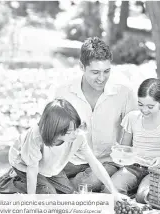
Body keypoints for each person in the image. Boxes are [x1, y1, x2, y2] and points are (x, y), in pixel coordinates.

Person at [0, 99, 122, 199]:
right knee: (48, 196)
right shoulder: (36, 137)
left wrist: (114, 192)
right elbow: (32, 170)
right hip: (25, 164)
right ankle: (7, 182)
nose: (75, 134)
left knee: (69, 194)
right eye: (69, 132)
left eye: (76, 128)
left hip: (49, 166)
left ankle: (38, 183)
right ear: (55, 131)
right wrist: (31, 200)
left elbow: (95, 164)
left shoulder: (78, 136)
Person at [54, 37, 137, 191]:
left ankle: (66, 187)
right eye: (95, 72)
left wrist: (125, 154)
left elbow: (134, 130)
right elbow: (53, 132)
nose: (101, 78)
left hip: (107, 161)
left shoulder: (124, 91)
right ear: (81, 66)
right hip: (71, 159)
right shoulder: (64, 92)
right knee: (40, 173)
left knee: (89, 182)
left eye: (106, 71)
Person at [108, 78, 160, 203]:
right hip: (133, 168)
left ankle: (138, 190)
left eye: (150, 106)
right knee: (109, 191)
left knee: (143, 197)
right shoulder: (132, 118)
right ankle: (133, 188)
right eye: (141, 104)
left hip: (155, 171)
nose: (145, 110)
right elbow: (124, 148)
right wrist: (119, 152)